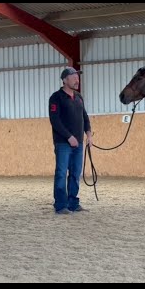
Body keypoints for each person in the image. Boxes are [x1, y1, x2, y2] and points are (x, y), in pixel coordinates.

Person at [48, 66, 93, 214]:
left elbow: (84, 117)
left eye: (77, 77)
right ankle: (61, 205)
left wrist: (89, 133)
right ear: (65, 80)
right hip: (63, 143)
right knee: (61, 173)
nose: (77, 79)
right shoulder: (56, 98)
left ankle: (73, 202)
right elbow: (55, 121)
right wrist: (69, 137)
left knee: (75, 173)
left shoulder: (79, 97)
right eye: (73, 77)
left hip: (78, 143)